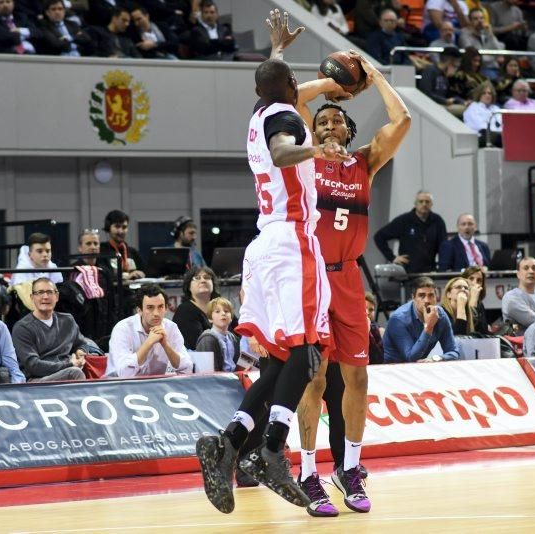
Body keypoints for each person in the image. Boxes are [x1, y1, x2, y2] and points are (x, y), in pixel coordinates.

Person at [195, 9, 345, 515]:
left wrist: (277, 50)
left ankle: (230, 445)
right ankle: (274, 451)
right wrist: (318, 149)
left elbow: (271, 86)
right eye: (296, 80)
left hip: (263, 246)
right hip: (293, 244)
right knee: (308, 354)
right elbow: (284, 151)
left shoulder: (259, 112)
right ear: (289, 87)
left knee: (280, 359)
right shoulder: (282, 120)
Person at [293, 48, 410, 516]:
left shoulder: (364, 163)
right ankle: (306, 472)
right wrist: (328, 87)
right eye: (319, 122)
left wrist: (375, 75)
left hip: (347, 282)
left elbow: (401, 121)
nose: (326, 126)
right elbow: (289, 100)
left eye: (335, 120)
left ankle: (352, 470)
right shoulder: (304, 159)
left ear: (349, 129)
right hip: (311, 279)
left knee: (357, 376)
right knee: (315, 380)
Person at [11, 277, 88, 382]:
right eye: (40, 292)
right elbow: (33, 366)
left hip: (67, 370)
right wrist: (69, 364)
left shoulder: (68, 320)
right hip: (37, 380)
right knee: (75, 373)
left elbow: (81, 343)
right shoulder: (22, 328)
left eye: (49, 292)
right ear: (32, 297)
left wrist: (80, 352)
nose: (45, 297)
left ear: (57, 296)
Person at [106, 284, 193, 377]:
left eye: (160, 307)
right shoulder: (123, 329)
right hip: (119, 386)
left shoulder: (171, 328)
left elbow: (187, 369)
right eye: (150, 307)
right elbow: (125, 373)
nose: (156, 313)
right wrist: (149, 342)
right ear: (139, 310)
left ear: (166, 308)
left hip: (156, 386)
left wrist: (166, 345)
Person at [383, 276, 460, 362]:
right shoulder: (398, 319)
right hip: (392, 369)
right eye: (421, 296)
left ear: (436, 297)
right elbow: (411, 358)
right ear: (413, 298)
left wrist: (435, 358)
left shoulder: (440, 315)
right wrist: (429, 327)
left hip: (420, 368)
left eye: (431, 295)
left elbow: (454, 352)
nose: (427, 300)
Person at [374, 191, 448, 273]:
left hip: (431, 271)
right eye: (421, 201)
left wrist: (442, 269)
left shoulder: (437, 221)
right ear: (415, 204)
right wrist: (392, 257)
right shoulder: (404, 220)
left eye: (427, 202)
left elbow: (444, 247)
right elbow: (379, 236)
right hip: (408, 273)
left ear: (431, 204)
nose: (424, 204)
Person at [173, 266, 220, 349]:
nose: (203, 280)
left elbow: (238, 336)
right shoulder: (184, 311)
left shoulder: (221, 307)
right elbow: (198, 345)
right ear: (189, 286)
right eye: (197, 278)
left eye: (207, 277)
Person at [417, 46, 466, 117]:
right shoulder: (430, 71)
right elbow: (426, 93)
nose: (456, 69)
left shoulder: (445, 75)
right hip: (431, 106)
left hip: (442, 105)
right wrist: (445, 101)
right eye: (456, 66)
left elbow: (449, 96)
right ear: (450, 62)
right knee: (466, 111)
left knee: (469, 109)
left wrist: (463, 101)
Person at [195, 297, 240, 371]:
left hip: (234, 379)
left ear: (231, 318)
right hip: (216, 381)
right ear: (210, 318)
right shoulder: (207, 339)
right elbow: (206, 372)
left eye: (226, 311)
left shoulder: (234, 338)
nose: (223, 314)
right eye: (217, 311)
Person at [458, 9, 504, 79]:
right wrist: (493, 58)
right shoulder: (464, 35)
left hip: (495, 68)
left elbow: (498, 51)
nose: (480, 21)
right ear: (470, 21)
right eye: (476, 19)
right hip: (481, 69)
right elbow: (472, 56)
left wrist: (490, 34)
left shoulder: (487, 33)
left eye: (481, 18)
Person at [463, 81, 503, 147]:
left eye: (489, 93)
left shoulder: (496, 109)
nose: (487, 95)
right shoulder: (473, 107)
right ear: (479, 95)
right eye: (484, 93)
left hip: (497, 137)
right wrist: (497, 132)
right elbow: (479, 126)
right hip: (479, 138)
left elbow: (502, 125)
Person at [462, 265, 489, 333]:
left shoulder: (480, 304)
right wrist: (473, 301)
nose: (475, 283)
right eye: (471, 278)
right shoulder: (458, 302)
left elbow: (483, 332)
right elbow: (468, 331)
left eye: (479, 280)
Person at [365, 292, 384, 365]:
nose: (367, 312)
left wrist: (368, 333)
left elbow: (378, 360)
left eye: (371, 310)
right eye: (364, 308)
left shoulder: (376, 330)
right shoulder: (349, 328)